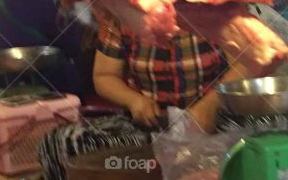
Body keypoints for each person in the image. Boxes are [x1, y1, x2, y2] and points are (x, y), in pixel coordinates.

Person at [92, 13, 238, 132]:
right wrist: (134, 101)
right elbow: (105, 75)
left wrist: (211, 104)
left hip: (213, 123)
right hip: (151, 128)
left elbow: (244, 64)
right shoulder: (119, 12)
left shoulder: (215, 9)